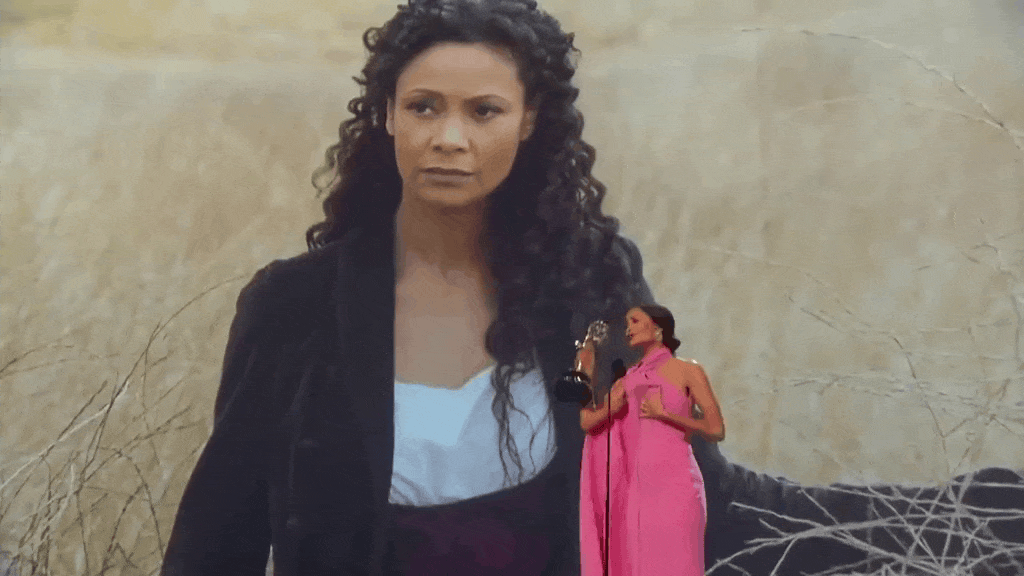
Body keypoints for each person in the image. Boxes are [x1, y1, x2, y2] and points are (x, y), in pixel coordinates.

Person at [161, 1, 1024, 575]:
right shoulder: (296, 308)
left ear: (530, 121)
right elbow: (216, 541)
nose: (449, 137)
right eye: (424, 106)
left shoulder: (586, 291)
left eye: (483, 111)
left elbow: (705, 506)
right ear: (386, 112)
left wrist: (977, 518)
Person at [578, 305, 724, 575]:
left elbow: (715, 429)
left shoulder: (687, 370)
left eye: (634, 321)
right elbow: (589, 423)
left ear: (658, 328)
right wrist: (586, 372)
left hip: (677, 489)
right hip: (635, 492)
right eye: (627, 323)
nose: (628, 329)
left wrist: (666, 414)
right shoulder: (627, 381)